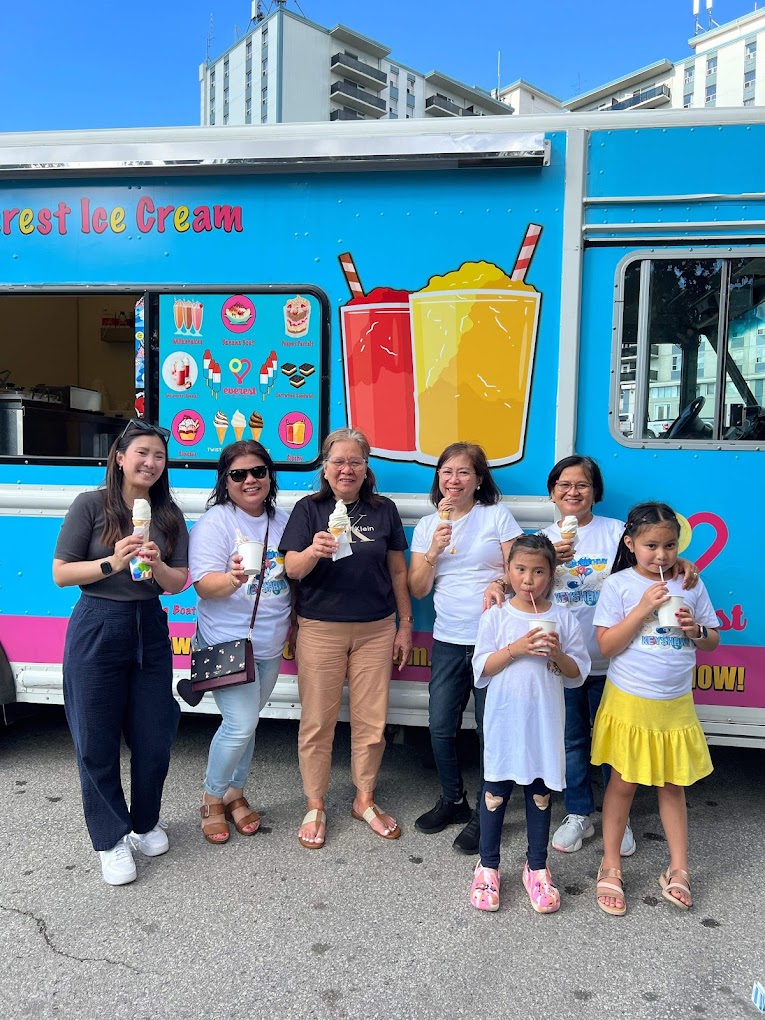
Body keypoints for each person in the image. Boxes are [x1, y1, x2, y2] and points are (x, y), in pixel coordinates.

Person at [484, 454, 698, 858]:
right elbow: (520, 573)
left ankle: (619, 818)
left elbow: (654, 556)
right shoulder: (544, 538)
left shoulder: (617, 532)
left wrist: (682, 561)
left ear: (595, 492)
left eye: (582, 485)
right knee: (572, 740)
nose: (573, 492)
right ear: (551, 492)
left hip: (616, 661)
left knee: (613, 743)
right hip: (560, 661)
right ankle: (579, 813)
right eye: (564, 484)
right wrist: (498, 582)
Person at [52, 420, 188, 886]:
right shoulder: (91, 505)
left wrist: (158, 565)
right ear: (120, 457)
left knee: (154, 735)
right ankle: (111, 838)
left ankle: (145, 822)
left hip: (148, 626)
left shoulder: (169, 514)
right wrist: (115, 559)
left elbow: (178, 583)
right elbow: (62, 573)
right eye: (143, 453)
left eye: (159, 456)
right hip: (97, 624)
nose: (151, 463)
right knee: (96, 739)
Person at [280, 427, 413, 849]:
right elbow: (291, 570)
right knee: (317, 721)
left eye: (355, 461)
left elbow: (397, 571)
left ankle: (364, 799)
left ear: (367, 466)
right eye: (338, 461)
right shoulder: (308, 509)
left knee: (371, 722)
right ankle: (316, 803)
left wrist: (405, 623)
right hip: (320, 627)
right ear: (325, 466)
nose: (347, 469)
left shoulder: (383, 509)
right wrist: (313, 552)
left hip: (376, 629)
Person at [591, 502, 719, 916]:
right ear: (630, 544)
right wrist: (644, 607)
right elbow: (607, 646)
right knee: (623, 783)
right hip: (630, 700)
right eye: (650, 545)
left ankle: (679, 868)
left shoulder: (690, 583)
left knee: (672, 785)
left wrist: (696, 630)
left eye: (669, 545)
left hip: (675, 703)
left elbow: (712, 639)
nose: (661, 555)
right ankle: (610, 864)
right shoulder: (620, 586)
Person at [408, 442, 521, 854]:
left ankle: (485, 813)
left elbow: (519, 571)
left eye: (463, 473)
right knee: (440, 725)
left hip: (492, 641)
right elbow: (418, 588)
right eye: (446, 472)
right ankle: (453, 800)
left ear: (479, 480)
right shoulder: (426, 525)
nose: (453, 481)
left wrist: (500, 583)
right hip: (448, 640)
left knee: (489, 729)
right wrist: (434, 551)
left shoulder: (496, 516)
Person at [469, 535, 590, 914]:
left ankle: (537, 866)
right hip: (505, 722)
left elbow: (577, 674)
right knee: (496, 792)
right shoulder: (497, 616)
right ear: (507, 572)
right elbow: (481, 669)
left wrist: (558, 653)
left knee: (540, 793)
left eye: (539, 571)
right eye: (520, 569)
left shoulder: (563, 618)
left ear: (552, 574)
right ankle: (488, 865)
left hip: (544, 723)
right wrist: (515, 649)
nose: (528, 579)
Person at [188, 441, 293, 845]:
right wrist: (231, 579)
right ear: (225, 481)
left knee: (247, 726)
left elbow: (293, 580)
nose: (250, 480)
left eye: (258, 471)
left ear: (270, 476)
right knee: (240, 723)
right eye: (239, 474)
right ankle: (212, 798)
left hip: (267, 645)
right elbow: (203, 585)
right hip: (226, 645)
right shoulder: (216, 523)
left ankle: (236, 793)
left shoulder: (282, 520)